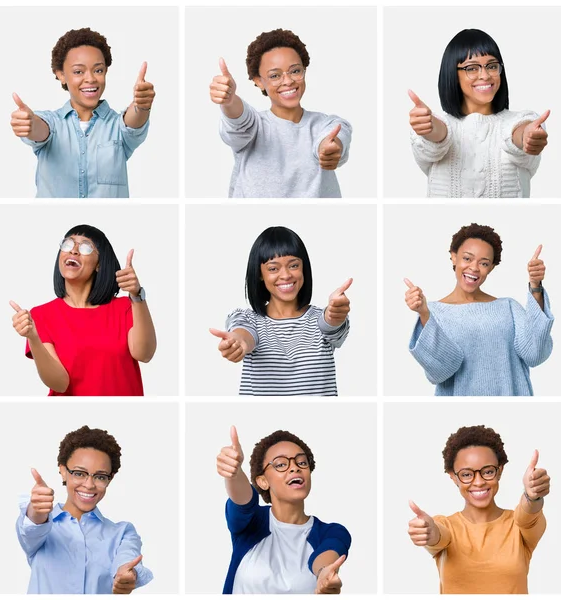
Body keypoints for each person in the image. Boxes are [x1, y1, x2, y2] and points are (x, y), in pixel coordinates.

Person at [404, 223, 553, 396]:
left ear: (491, 267)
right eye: (467, 258)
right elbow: (439, 371)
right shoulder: (433, 313)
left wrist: (536, 287)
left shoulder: (508, 308)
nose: (474, 268)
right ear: (454, 257)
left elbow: (535, 353)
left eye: (484, 263)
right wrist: (424, 313)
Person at [10, 224, 156, 395]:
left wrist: (137, 295)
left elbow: (144, 354)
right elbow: (60, 384)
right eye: (68, 244)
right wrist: (33, 338)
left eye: (86, 247)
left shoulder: (125, 307)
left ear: (99, 265)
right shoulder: (41, 315)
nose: (74, 250)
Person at [10, 27, 155, 198]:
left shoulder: (117, 126)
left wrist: (142, 104)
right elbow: (41, 130)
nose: (91, 78)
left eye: (98, 70)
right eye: (78, 71)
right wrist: (30, 124)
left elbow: (132, 121)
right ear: (61, 75)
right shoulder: (52, 122)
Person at [210, 28, 352, 198]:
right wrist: (230, 100)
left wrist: (330, 148)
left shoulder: (324, 124)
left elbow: (338, 132)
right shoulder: (256, 126)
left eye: (295, 71)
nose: (288, 81)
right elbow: (239, 121)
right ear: (259, 81)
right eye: (275, 75)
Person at [210, 226, 351, 395]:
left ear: (303, 267)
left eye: (293, 265)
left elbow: (330, 323)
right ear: (260, 273)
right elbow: (244, 334)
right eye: (273, 268)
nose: (285, 275)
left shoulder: (320, 319)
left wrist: (335, 313)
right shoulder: (248, 319)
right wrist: (238, 343)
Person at [408, 425, 549, 594]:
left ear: (500, 471)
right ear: (453, 477)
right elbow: (438, 535)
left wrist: (532, 495)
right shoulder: (444, 525)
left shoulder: (517, 526)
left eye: (488, 471)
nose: (479, 482)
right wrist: (427, 531)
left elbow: (528, 515)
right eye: (467, 474)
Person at [408, 29, 549, 198]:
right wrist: (427, 126)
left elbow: (519, 132)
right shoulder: (441, 125)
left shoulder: (518, 121)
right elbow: (441, 134)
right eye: (472, 68)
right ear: (452, 73)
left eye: (492, 66)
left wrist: (528, 136)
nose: (485, 75)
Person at [16, 425, 153, 594]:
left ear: (110, 479)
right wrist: (37, 510)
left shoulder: (122, 532)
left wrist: (127, 574)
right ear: (63, 470)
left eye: (100, 476)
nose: (89, 485)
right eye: (79, 473)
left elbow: (127, 559)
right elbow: (32, 528)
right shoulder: (45, 525)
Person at [217, 426, 351, 594]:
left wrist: (324, 573)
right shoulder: (252, 522)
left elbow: (327, 555)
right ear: (263, 481)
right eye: (281, 464)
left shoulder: (331, 531)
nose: (295, 468)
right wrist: (234, 473)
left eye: (302, 462)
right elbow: (243, 500)